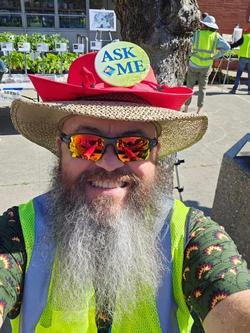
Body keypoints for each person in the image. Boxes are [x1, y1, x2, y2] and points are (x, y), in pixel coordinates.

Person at [0, 41, 250, 333]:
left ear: (155, 155)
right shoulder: (18, 231)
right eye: (86, 144)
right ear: (61, 149)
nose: (108, 164)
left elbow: (236, 307)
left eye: (134, 146)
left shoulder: (190, 234)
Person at [183, 15, 230, 113]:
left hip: (194, 64)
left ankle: (186, 108)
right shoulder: (216, 36)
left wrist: (190, 55)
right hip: (206, 66)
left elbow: (186, 44)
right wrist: (216, 56)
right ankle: (199, 110)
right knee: (202, 88)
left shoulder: (196, 34)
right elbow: (227, 47)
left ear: (204, 24)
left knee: (189, 87)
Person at [229, 25, 250, 95]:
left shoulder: (245, 37)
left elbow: (237, 44)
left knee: (239, 74)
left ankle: (234, 89)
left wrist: (230, 46)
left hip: (243, 58)